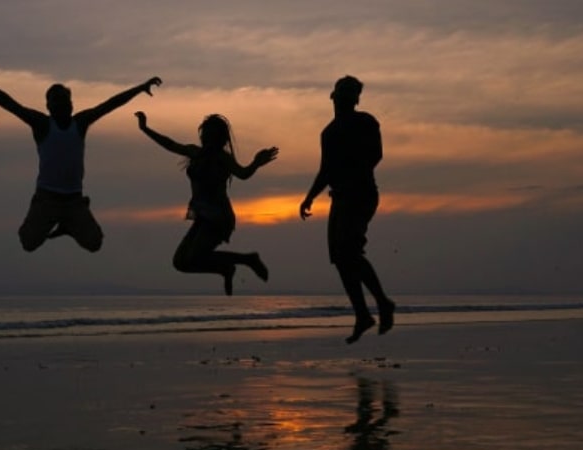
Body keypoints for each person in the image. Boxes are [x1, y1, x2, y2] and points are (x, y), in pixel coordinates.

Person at [0, 62, 162, 253]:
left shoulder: (80, 123)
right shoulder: (42, 124)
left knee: (94, 244)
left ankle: (68, 226)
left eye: (65, 100)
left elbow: (110, 104)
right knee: (28, 243)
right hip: (46, 199)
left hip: (74, 201)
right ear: (49, 106)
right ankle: (53, 218)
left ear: (71, 105)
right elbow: (8, 103)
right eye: (57, 101)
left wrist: (140, 88)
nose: (62, 104)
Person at [134, 111, 277, 295]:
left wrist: (256, 163)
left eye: (211, 134)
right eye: (205, 134)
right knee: (180, 262)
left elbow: (243, 174)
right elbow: (170, 144)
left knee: (195, 256)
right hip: (202, 217)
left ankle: (248, 259)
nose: (206, 138)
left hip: (219, 217)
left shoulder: (222, 158)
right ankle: (224, 269)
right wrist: (145, 128)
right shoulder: (195, 152)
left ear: (219, 138)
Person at [300, 76, 395, 343]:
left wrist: (353, 171)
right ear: (333, 96)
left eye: (350, 93)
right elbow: (325, 170)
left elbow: (376, 155)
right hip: (339, 198)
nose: (344, 96)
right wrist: (309, 198)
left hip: (361, 194)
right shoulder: (328, 133)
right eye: (341, 91)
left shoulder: (366, 121)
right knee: (340, 258)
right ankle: (363, 314)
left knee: (350, 251)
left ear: (356, 99)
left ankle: (382, 303)